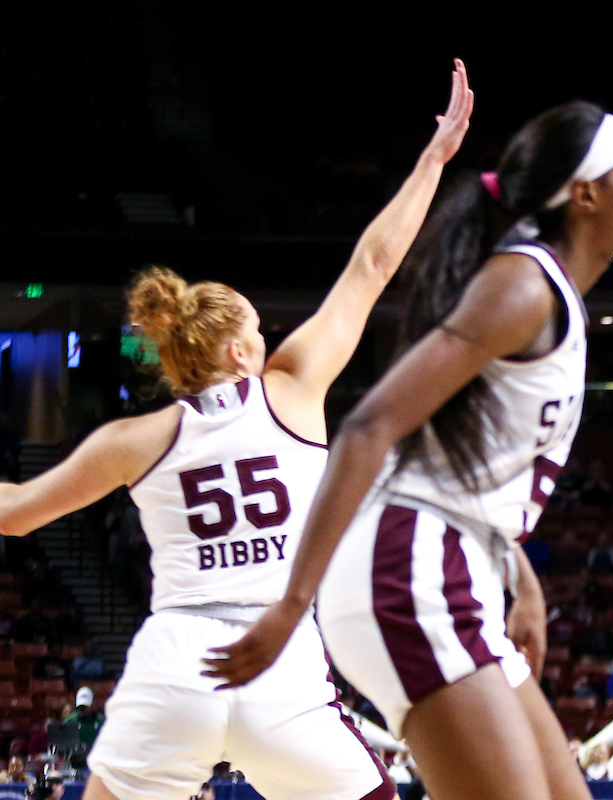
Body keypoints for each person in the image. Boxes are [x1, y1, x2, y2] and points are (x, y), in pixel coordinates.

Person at [0, 59, 475, 800]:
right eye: (261, 326)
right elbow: (374, 264)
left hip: (175, 664)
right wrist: (433, 157)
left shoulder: (133, 438)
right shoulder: (291, 389)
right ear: (237, 350)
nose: (271, 333)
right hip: (275, 659)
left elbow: (15, 514)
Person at [204, 98, 613, 800]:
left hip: (457, 562)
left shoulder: (548, 292)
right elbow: (367, 427)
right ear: (586, 193)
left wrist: (522, 580)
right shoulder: (524, 286)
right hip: (409, 568)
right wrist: (292, 607)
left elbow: (460, 463)